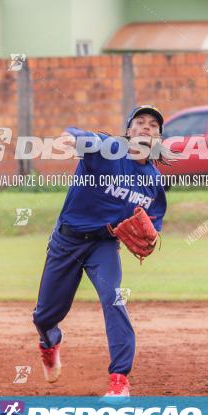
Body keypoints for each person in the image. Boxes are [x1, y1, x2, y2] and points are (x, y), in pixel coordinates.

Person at [32, 105, 168, 398]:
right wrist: (70, 139)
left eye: (153, 125)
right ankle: (49, 342)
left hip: (104, 245)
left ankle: (119, 380)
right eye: (140, 122)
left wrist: (153, 234)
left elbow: (154, 222)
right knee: (44, 316)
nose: (146, 127)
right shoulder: (110, 151)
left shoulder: (154, 181)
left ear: (159, 136)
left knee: (114, 298)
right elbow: (83, 136)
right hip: (67, 241)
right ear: (129, 131)